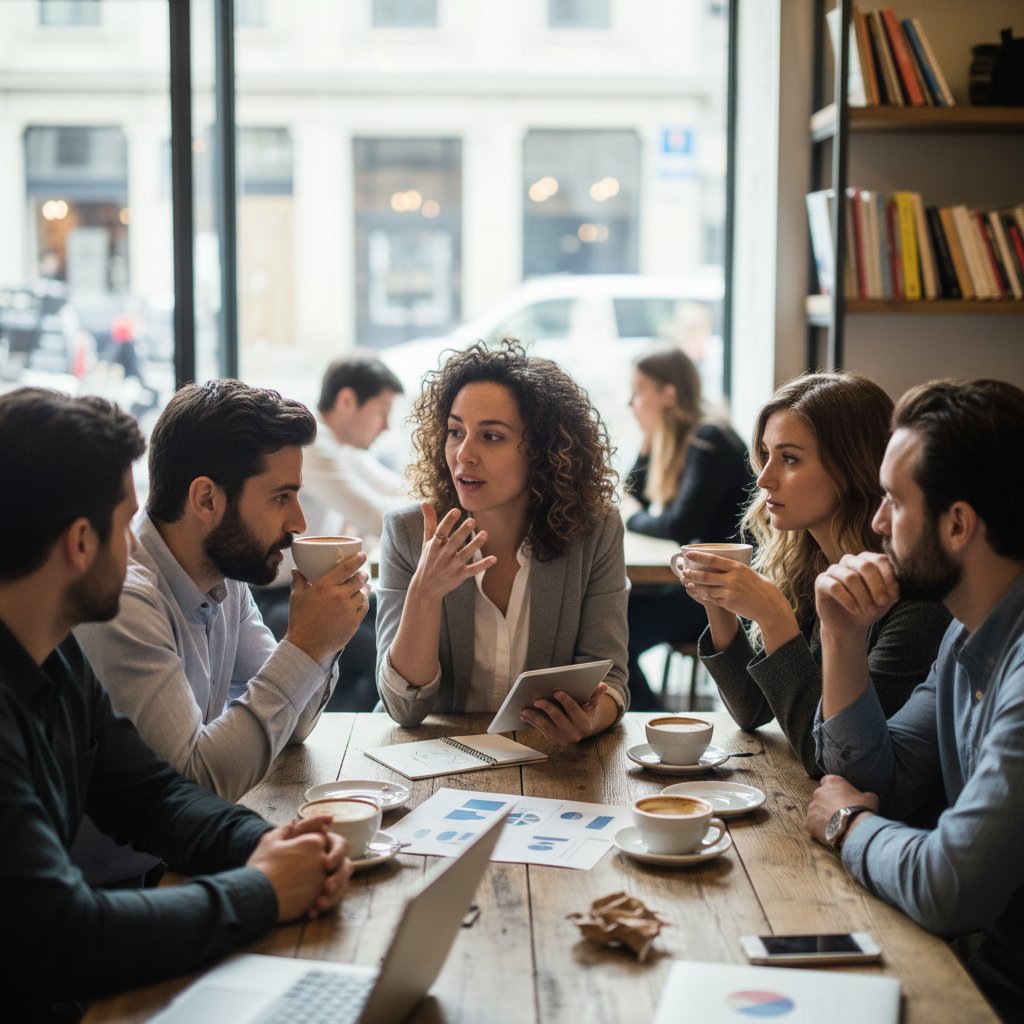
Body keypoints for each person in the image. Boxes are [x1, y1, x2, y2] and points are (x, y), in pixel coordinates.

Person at [0, 388, 350, 1024]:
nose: (137, 548)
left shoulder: (54, 658)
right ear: (81, 542)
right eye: (123, 524)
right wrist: (263, 889)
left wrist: (272, 845)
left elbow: (152, 795)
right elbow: (64, 935)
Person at [73, 379, 370, 882]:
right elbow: (195, 784)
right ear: (206, 498)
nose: (299, 522)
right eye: (282, 497)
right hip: (119, 890)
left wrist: (324, 640)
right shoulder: (125, 597)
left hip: (183, 868)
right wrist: (307, 645)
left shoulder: (223, 575)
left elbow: (294, 728)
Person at [805, 379, 1024, 1023]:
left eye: (894, 502)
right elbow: (883, 778)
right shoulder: (967, 632)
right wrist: (841, 636)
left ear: (957, 524)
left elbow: (948, 886)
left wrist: (848, 825)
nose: (876, 524)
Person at [680, 372, 949, 775]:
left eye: (789, 459)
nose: (764, 478)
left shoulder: (914, 602)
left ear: (852, 469)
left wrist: (774, 617)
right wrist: (717, 602)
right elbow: (754, 709)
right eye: (766, 455)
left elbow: (833, 757)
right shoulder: (810, 565)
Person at [375, 340, 629, 743]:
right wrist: (424, 593)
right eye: (455, 432)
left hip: (551, 759)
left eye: (491, 436)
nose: (464, 454)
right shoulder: (409, 533)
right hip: (435, 762)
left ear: (545, 451)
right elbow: (404, 709)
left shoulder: (595, 532)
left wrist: (591, 719)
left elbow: (610, 674)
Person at [252, 355, 407, 709]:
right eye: (381, 411)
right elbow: (376, 516)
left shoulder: (341, 449)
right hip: (279, 597)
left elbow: (396, 491)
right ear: (347, 401)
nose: (385, 426)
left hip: (314, 589)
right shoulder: (314, 445)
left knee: (395, 624)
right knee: (386, 650)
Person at [620, 348, 752, 709]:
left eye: (638, 389)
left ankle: (655, 721)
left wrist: (632, 517)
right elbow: (635, 496)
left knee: (614, 629)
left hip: (724, 597)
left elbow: (679, 524)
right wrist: (647, 445)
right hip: (701, 585)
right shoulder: (688, 438)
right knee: (609, 613)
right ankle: (653, 717)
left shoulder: (709, 440)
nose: (631, 402)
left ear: (668, 394)